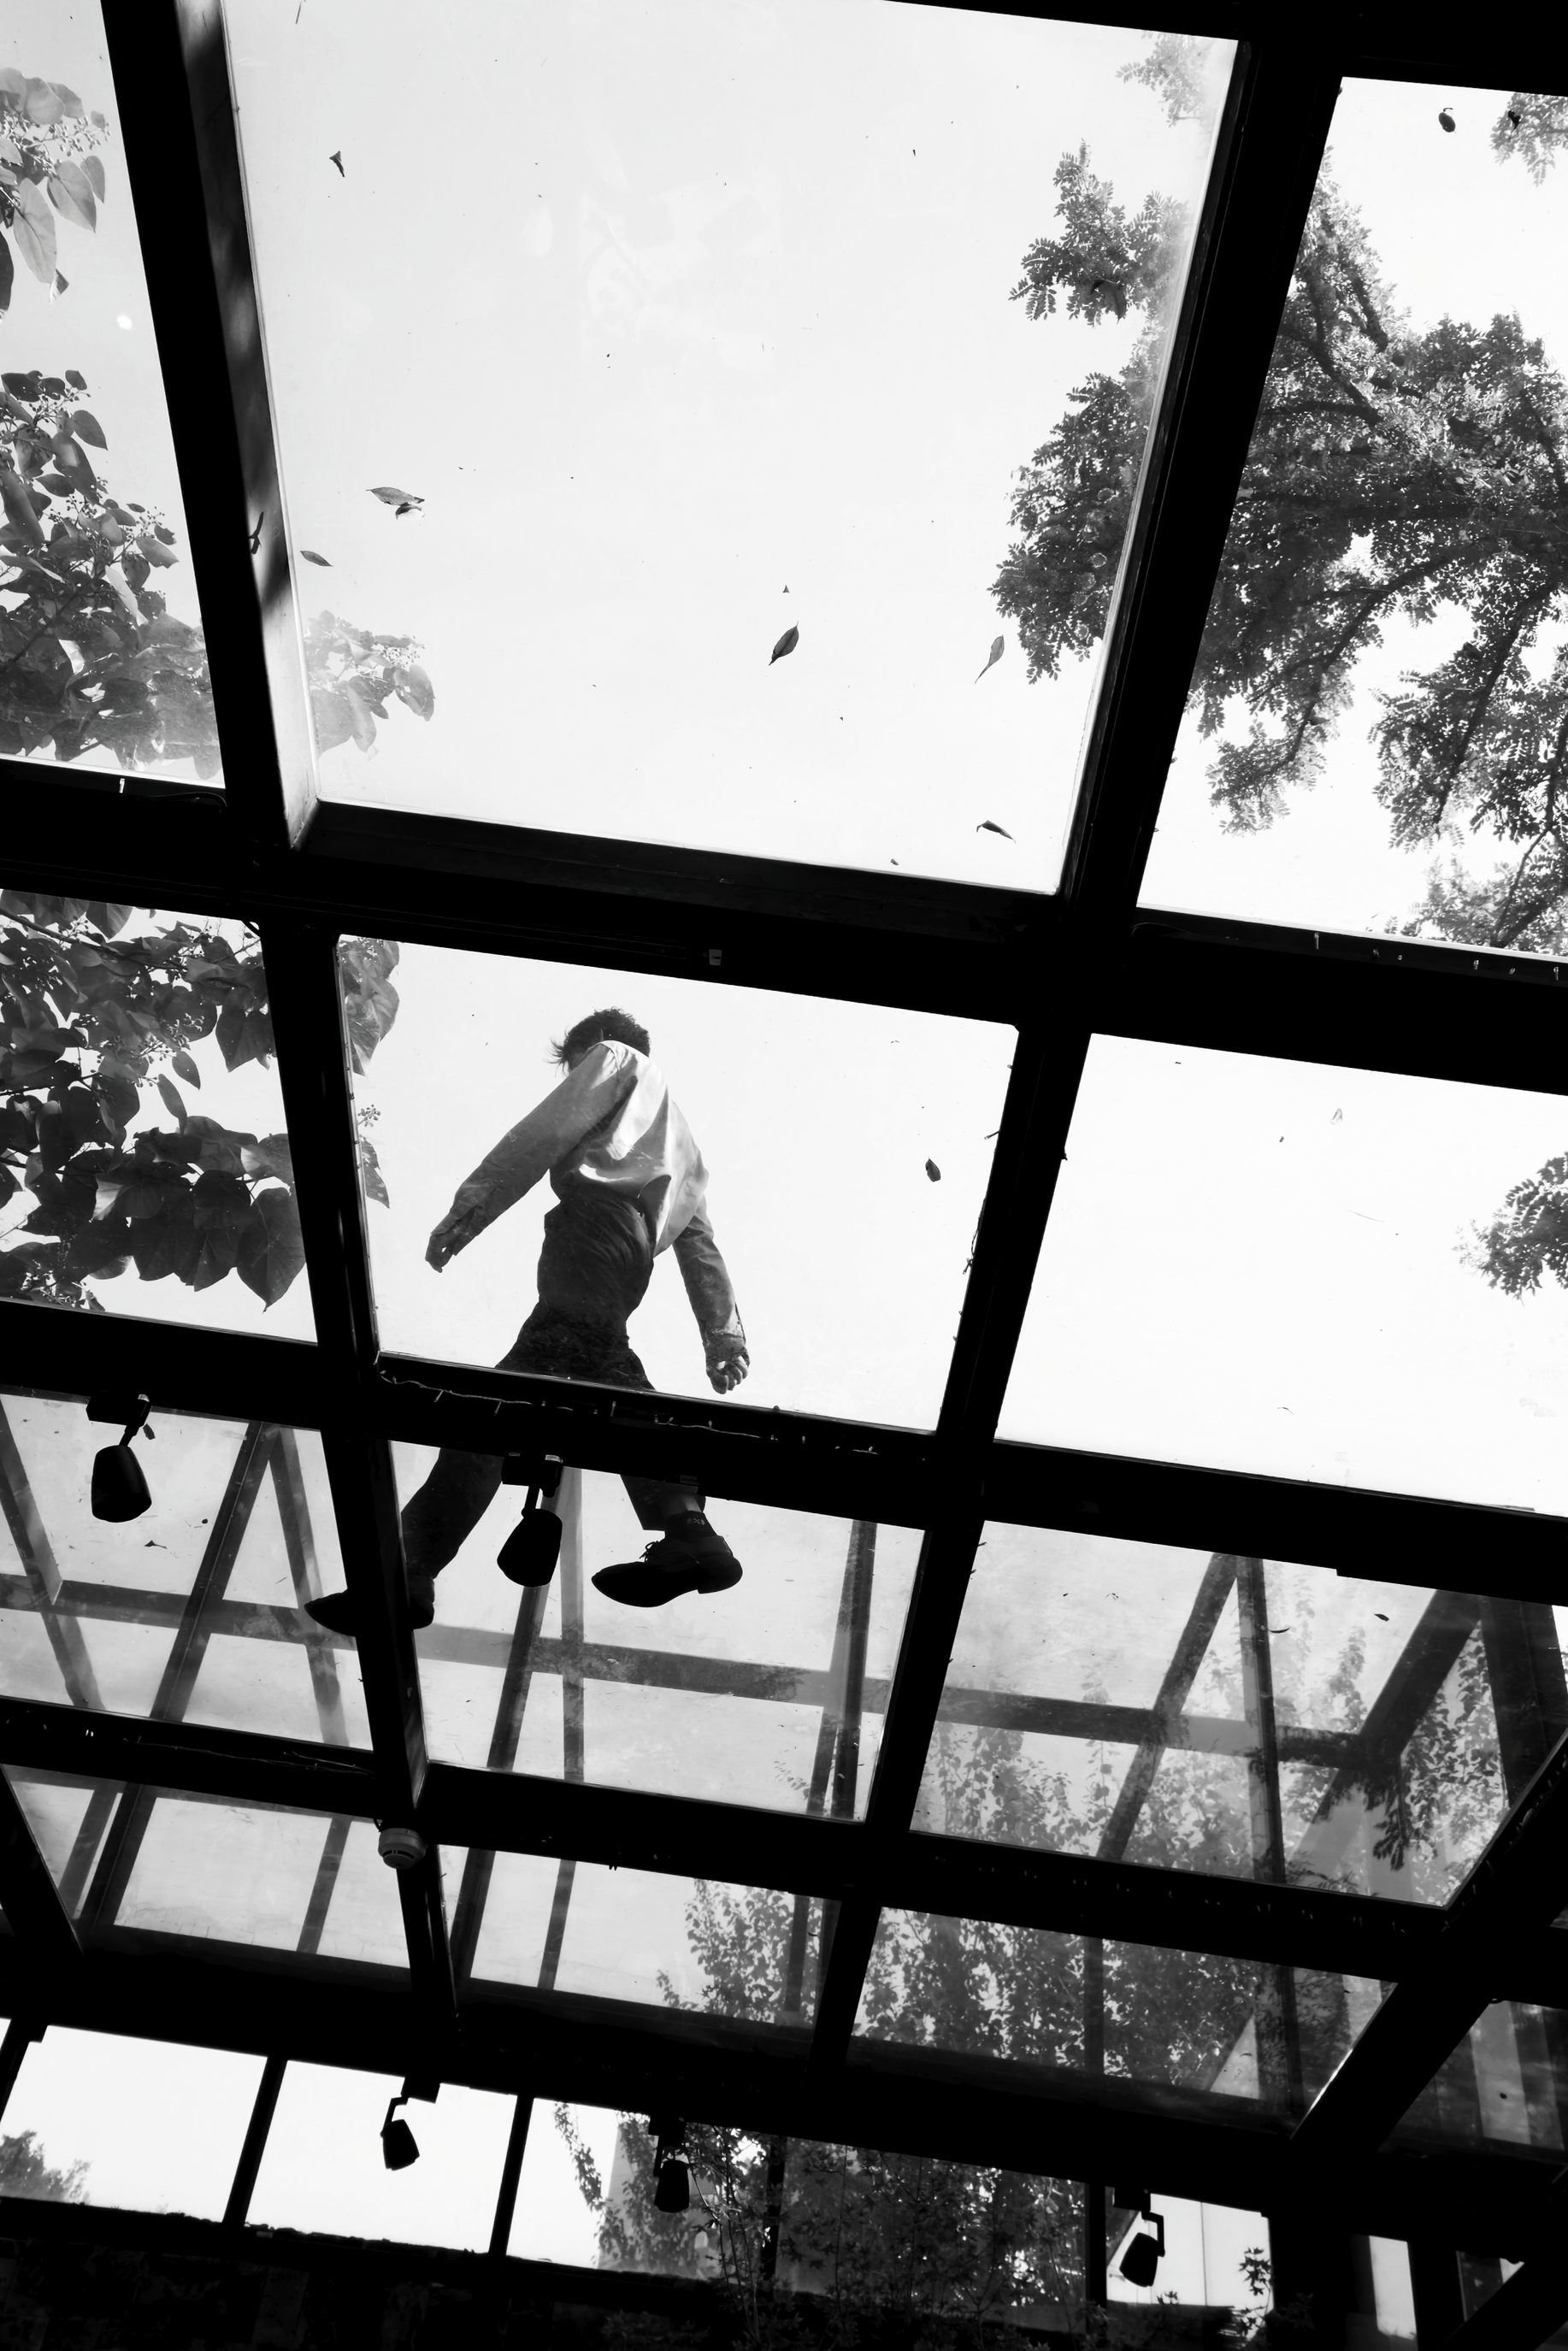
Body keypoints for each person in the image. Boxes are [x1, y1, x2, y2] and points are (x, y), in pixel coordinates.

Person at [307, 1009, 748, 1635]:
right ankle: (686, 1530)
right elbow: (700, 1245)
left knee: (505, 1407)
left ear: (590, 1048)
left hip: (590, 1231)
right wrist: (723, 1337)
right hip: (628, 1262)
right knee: (560, 1384)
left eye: (573, 1066)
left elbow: (547, 1129)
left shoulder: (615, 1059)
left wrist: (471, 1208)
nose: (573, 1077)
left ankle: (411, 1568)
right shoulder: (686, 1146)